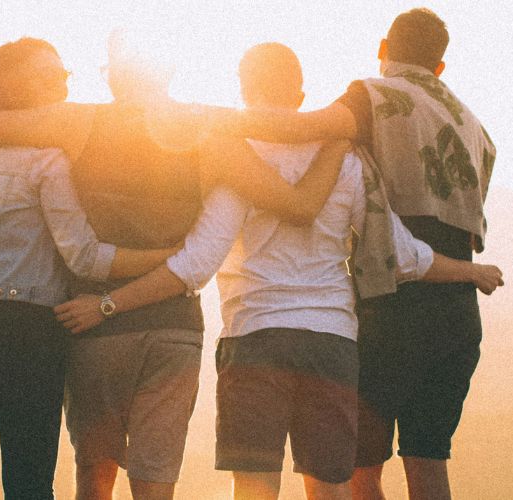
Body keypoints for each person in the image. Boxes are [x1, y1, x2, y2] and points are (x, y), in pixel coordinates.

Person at [53, 41, 502, 500]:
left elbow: (196, 264)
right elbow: (402, 255)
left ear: (244, 91)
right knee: (330, 490)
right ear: (300, 96)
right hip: (331, 342)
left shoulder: (238, 162)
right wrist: (471, 272)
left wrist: (109, 303)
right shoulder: (346, 160)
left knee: (255, 489)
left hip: (255, 338)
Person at [0, 32, 347, 500]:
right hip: (173, 330)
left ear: (114, 75)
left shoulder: (78, 123)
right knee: (156, 486)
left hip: (94, 329)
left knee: (94, 482)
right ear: (168, 71)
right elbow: (298, 206)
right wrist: (339, 137)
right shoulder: (211, 134)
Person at [210, 9, 498, 499]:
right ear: (440, 66)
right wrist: (470, 272)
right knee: (429, 463)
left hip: (390, 307)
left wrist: (205, 121)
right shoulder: (474, 127)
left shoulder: (374, 97)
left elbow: (302, 128)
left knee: (360, 473)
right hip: (456, 311)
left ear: (384, 48)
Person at [0, 37, 183, 500]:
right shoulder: (47, 160)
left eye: (64, 75)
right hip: (26, 334)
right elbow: (84, 257)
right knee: (29, 485)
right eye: (50, 77)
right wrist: (166, 256)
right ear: (17, 85)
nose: (63, 86)